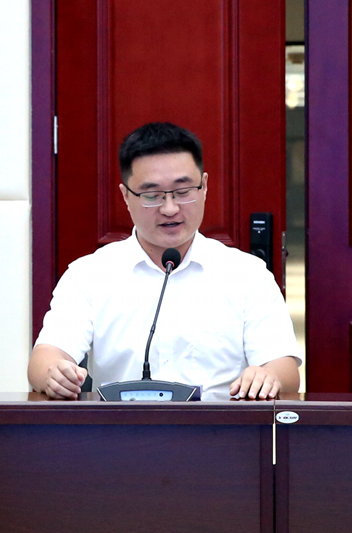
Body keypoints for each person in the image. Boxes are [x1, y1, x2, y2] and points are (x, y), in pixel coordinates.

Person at [28, 122, 300, 401]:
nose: (170, 209)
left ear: (204, 186)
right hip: (120, 426)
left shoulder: (246, 274)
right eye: (152, 195)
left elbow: (285, 369)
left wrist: (268, 376)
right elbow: (45, 357)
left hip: (220, 426)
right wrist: (54, 373)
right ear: (126, 196)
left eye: (183, 192)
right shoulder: (89, 275)